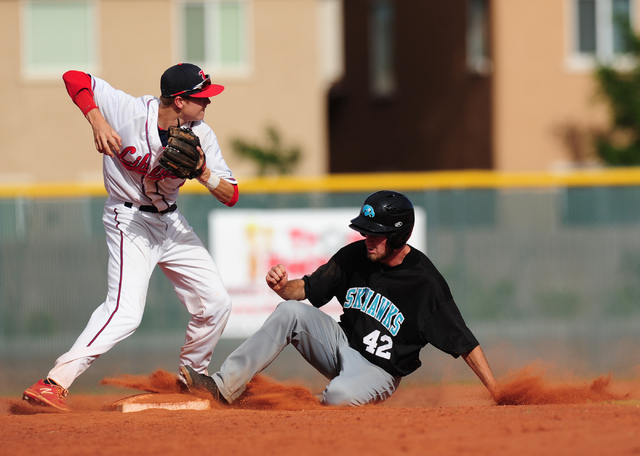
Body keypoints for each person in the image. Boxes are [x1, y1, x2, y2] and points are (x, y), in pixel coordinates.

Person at [23, 63, 239, 412]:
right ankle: (53, 383)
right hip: (130, 220)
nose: (208, 104)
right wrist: (96, 119)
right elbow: (74, 78)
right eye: (202, 99)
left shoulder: (203, 135)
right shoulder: (129, 110)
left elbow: (232, 195)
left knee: (217, 303)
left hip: (172, 222)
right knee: (125, 312)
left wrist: (203, 172)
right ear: (180, 101)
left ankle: (191, 379)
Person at [181, 190, 498, 407]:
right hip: (341, 345)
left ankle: (295, 403)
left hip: (380, 371)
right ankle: (223, 388)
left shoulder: (425, 283)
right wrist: (282, 286)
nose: (367, 238)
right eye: (366, 231)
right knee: (289, 312)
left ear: (399, 235)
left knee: (338, 397)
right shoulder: (355, 255)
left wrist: (496, 391)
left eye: (376, 233)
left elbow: (464, 341)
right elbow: (306, 290)